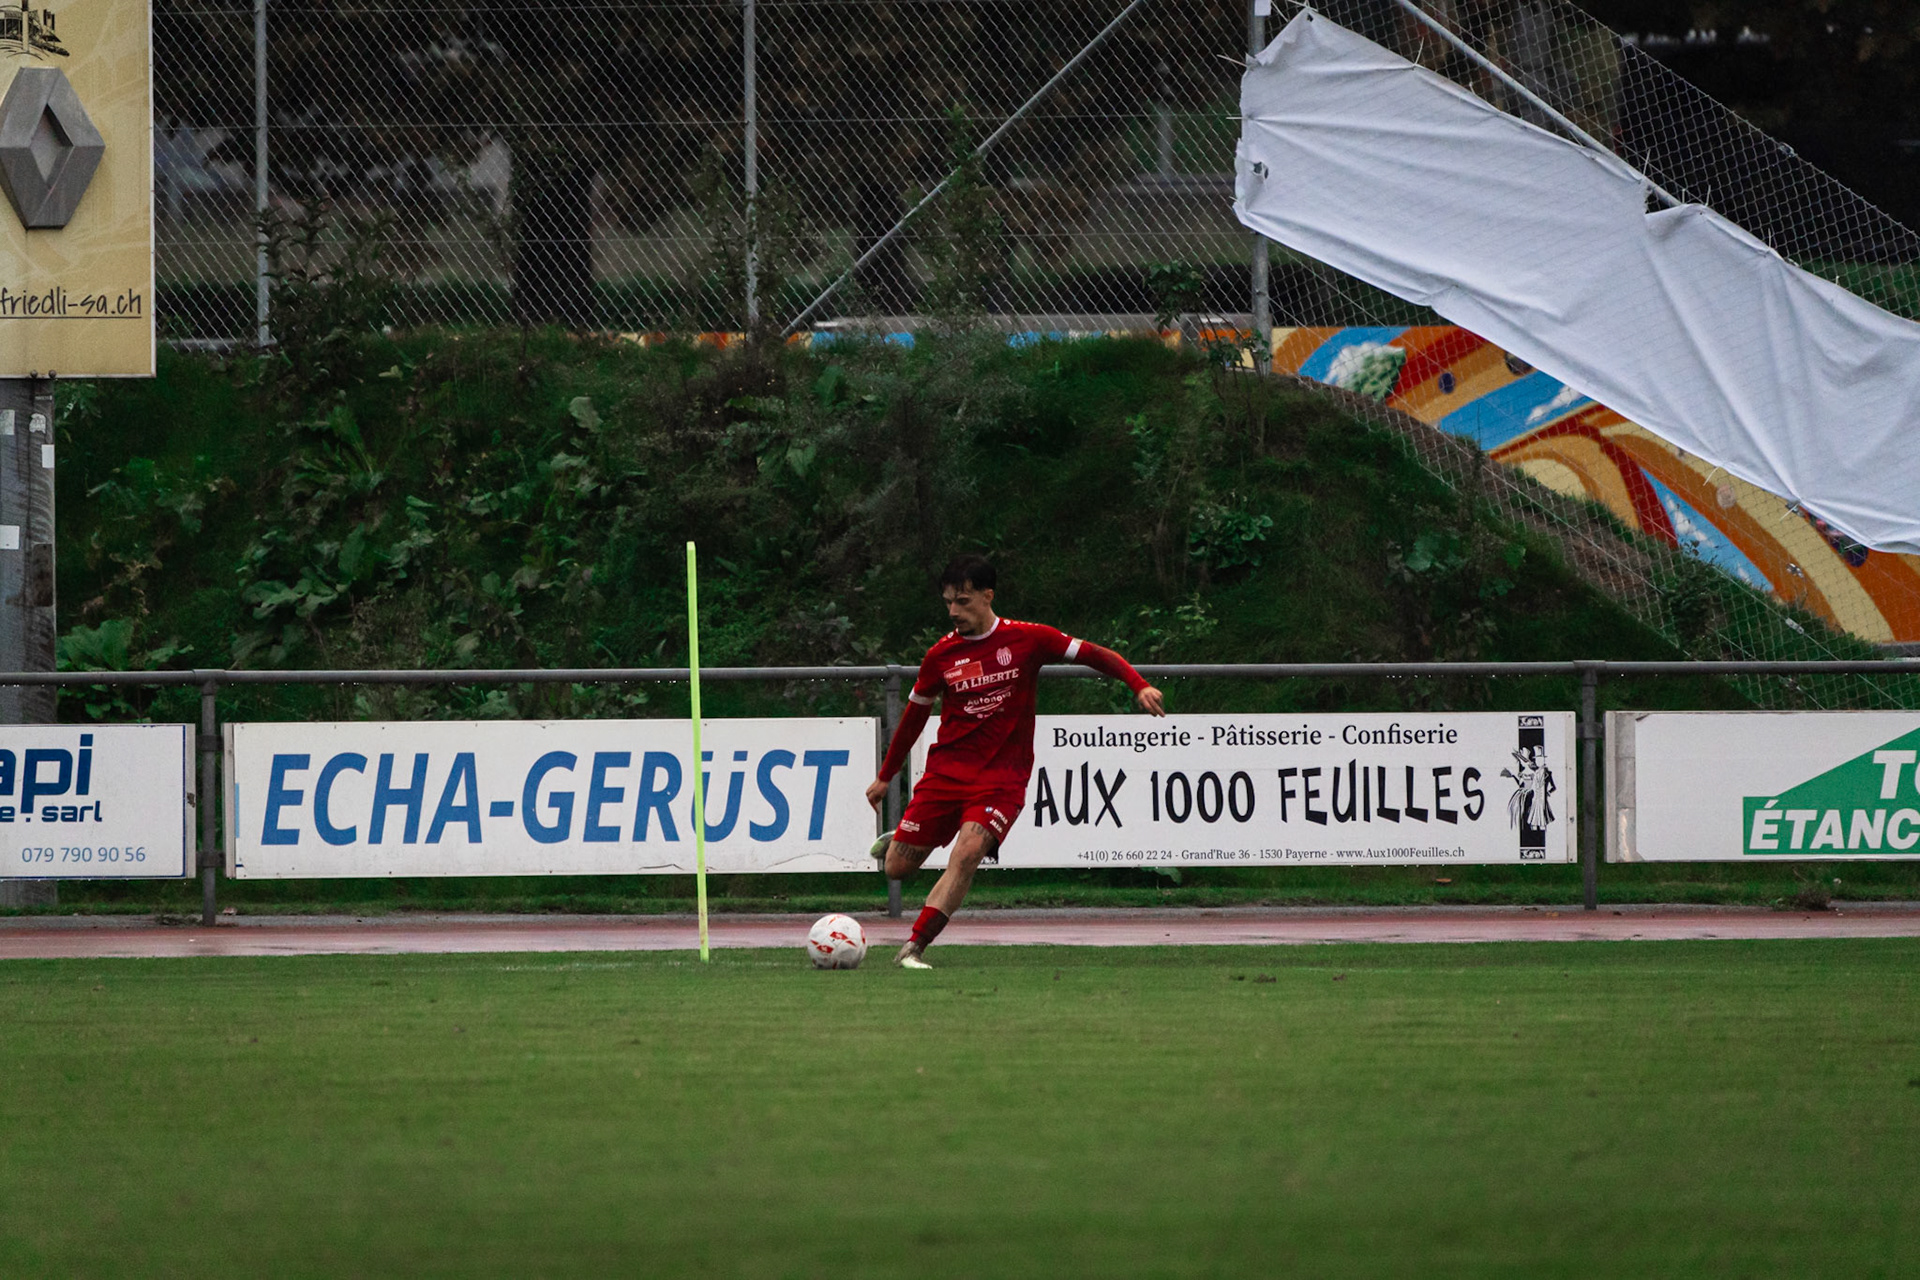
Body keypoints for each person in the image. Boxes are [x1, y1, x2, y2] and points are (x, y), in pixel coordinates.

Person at [865, 555, 1165, 969]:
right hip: (946, 774)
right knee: (896, 868)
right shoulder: (941, 656)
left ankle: (914, 947)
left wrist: (1139, 684)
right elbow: (914, 716)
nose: (954, 611)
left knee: (967, 855)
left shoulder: (1028, 639)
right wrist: (885, 777)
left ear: (988, 596)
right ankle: (908, 834)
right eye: (949, 602)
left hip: (1001, 779)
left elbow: (1092, 653)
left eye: (963, 601)